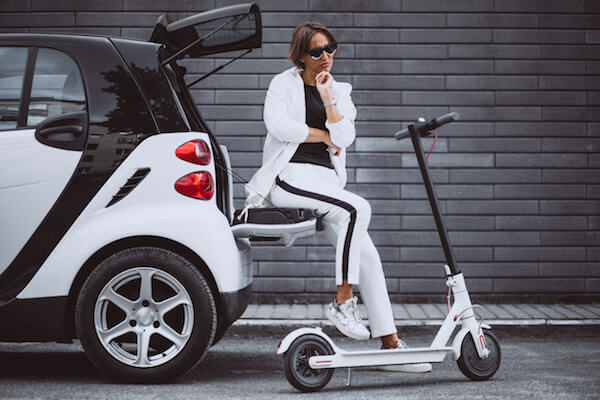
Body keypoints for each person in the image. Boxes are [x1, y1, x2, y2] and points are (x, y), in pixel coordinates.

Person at [245, 22, 431, 372]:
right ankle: (343, 300)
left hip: (326, 182)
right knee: (358, 207)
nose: (326, 56)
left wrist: (328, 97)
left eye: (331, 48)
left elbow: (344, 136)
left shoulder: (340, 89)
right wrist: (319, 134)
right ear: (301, 55)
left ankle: (389, 344)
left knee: (369, 257)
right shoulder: (283, 83)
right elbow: (278, 125)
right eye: (317, 51)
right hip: (287, 178)